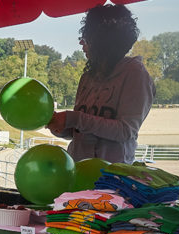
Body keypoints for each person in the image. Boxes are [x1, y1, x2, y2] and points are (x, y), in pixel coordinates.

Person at [46, 4, 155, 164]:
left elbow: (125, 131)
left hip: (111, 178)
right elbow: (79, 131)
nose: (81, 43)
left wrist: (74, 118)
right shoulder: (88, 76)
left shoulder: (135, 74)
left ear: (102, 43)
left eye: (86, 38)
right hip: (78, 171)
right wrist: (58, 125)